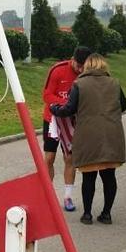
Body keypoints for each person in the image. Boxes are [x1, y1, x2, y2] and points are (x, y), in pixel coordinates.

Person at [50, 53, 126, 225]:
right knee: (109, 176)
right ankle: (106, 214)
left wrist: (54, 108)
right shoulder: (115, 83)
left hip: (87, 135)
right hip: (112, 135)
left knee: (89, 176)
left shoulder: (79, 84)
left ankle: (87, 214)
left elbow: (69, 109)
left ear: (87, 66)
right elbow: (125, 105)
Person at [42, 45, 92, 212]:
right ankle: (47, 197)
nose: (79, 69)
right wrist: (67, 105)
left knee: (70, 159)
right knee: (49, 158)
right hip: (53, 120)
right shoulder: (57, 70)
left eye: (82, 67)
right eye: (77, 65)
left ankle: (68, 197)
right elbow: (47, 95)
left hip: (73, 122)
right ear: (72, 59)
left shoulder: (87, 75)